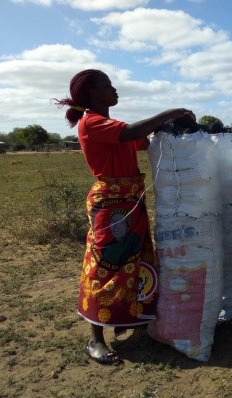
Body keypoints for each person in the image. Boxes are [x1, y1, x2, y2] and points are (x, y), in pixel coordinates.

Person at [54, 69, 195, 365]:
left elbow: (141, 140)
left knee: (135, 261)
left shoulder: (112, 126)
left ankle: (126, 317)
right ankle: (95, 339)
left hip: (131, 199)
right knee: (105, 266)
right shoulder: (92, 123)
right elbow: (132, 133)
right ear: (93, 94)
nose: (115, 90)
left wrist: (171, 128)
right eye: (108, 86)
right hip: (111, 204)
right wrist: (172, 111)